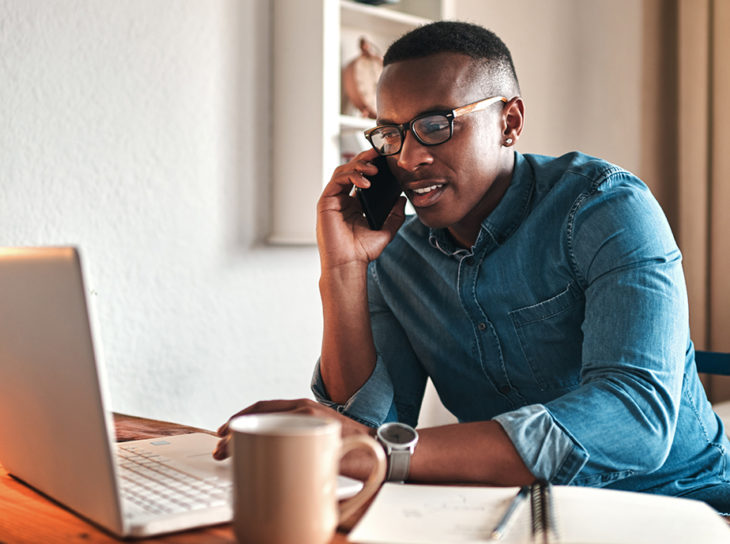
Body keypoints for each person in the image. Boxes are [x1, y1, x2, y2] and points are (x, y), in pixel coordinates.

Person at [215, 21, 730, 512]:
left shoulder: (604, 208)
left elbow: (636, 419)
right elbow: (368, 429)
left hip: (680, 503)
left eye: (436, 126)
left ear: (510, 123)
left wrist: (382, 450)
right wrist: (343, 271)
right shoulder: (397, 255)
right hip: (509, 511)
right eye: (391, 134)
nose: (409, 158)